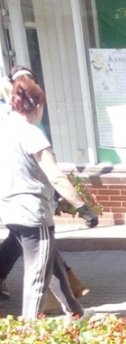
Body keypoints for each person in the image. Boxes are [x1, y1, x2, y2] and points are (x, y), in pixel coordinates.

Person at [0, 74, 97, 319]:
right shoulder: (32, 133)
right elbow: (54, 175)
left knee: (52, 267)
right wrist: (82, 207)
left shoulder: (6, 129)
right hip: (33, 214)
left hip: (10, 211)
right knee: (38, 278)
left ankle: (77, 314)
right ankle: (27, 336)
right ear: (38, 105)